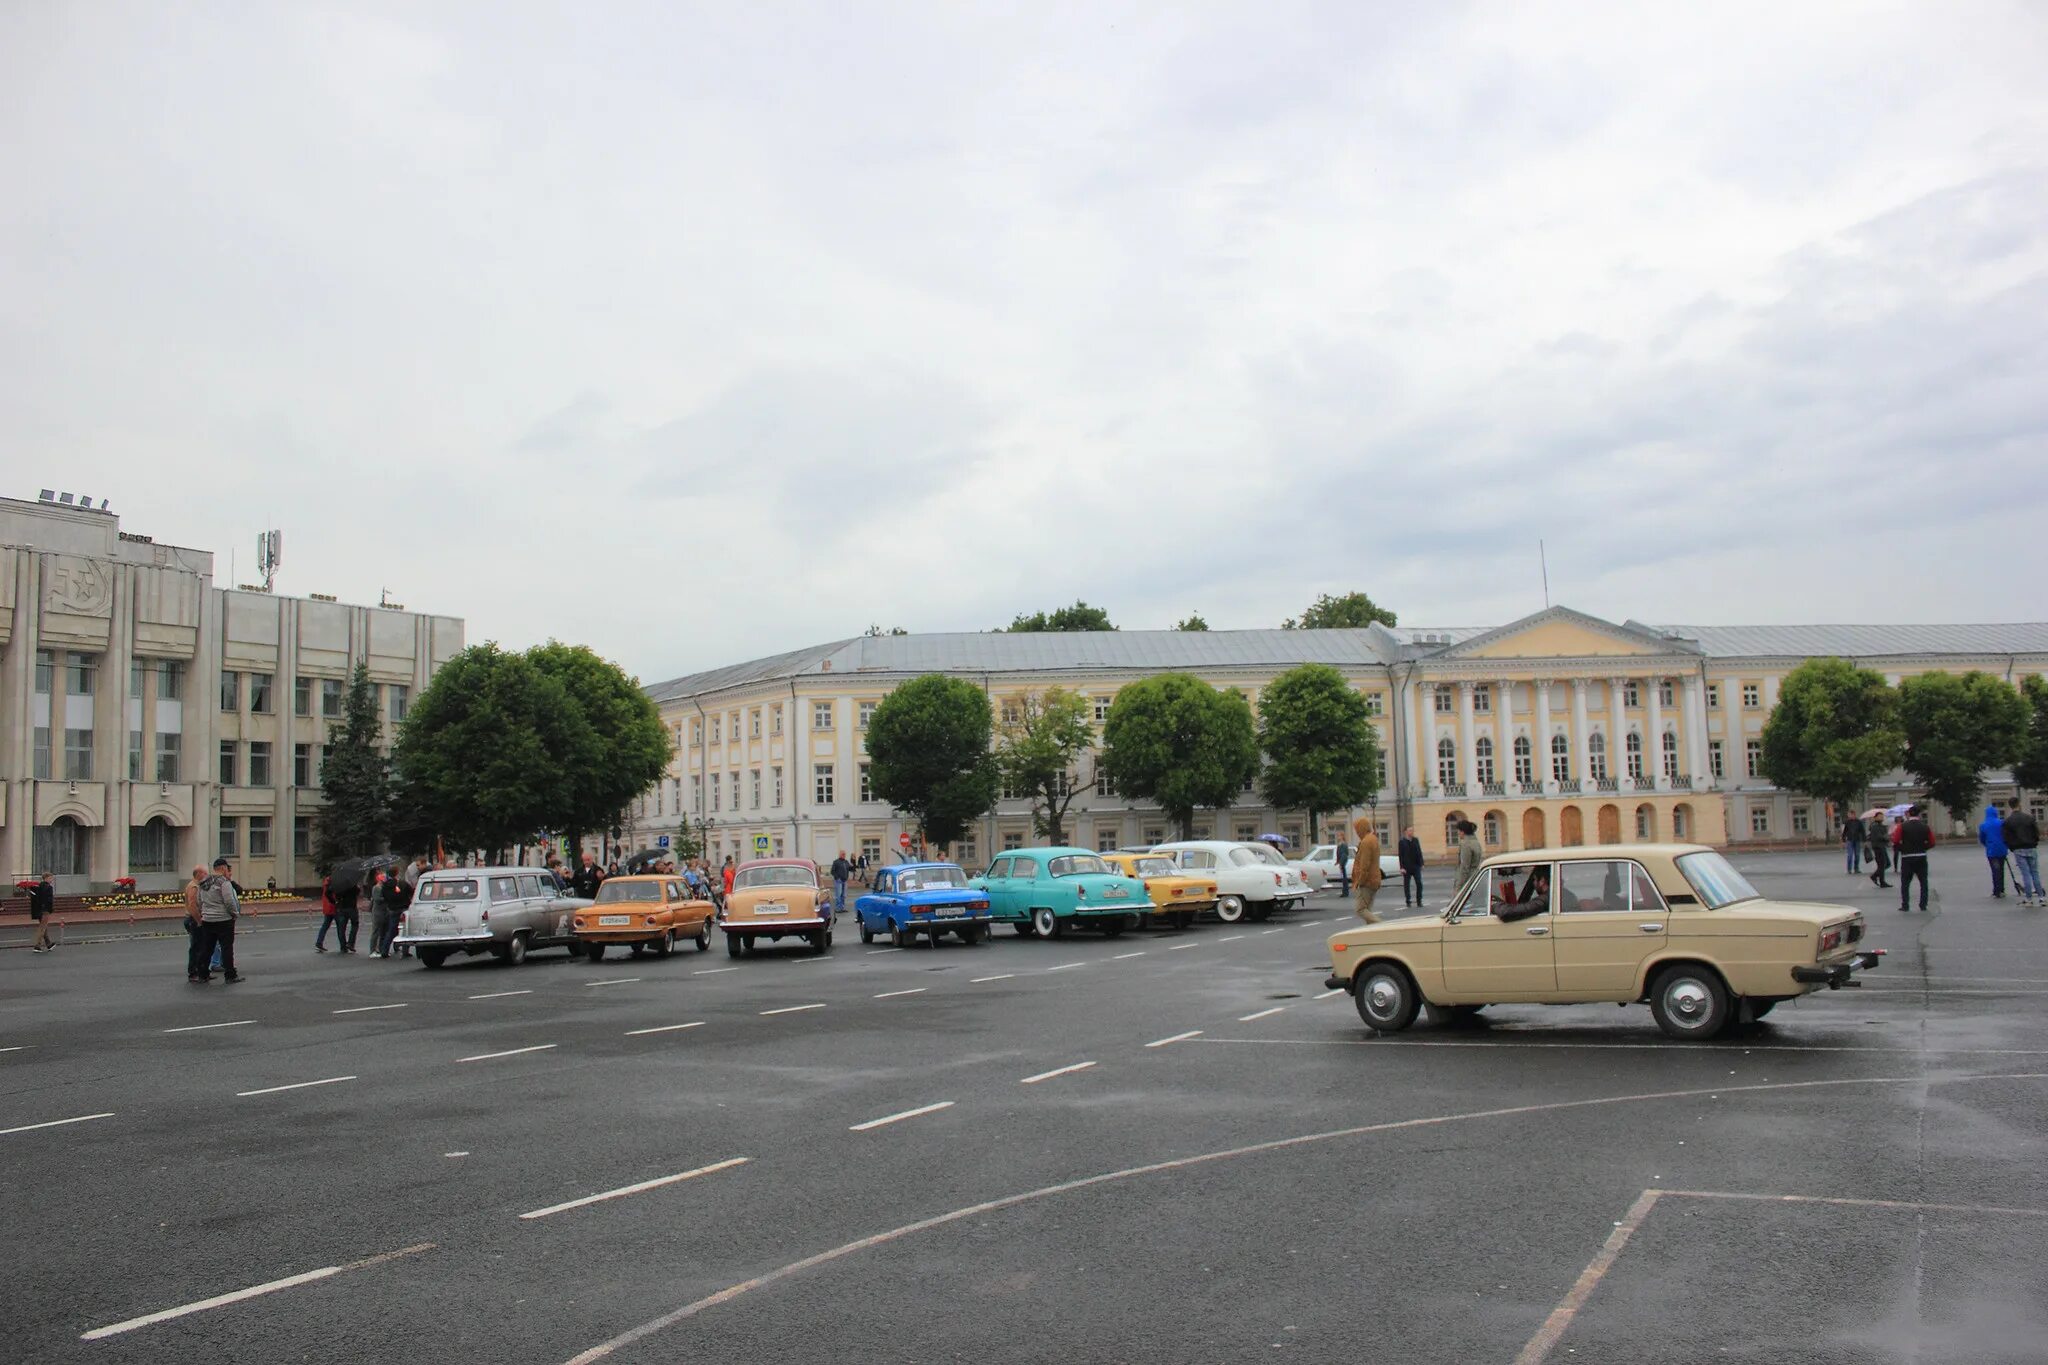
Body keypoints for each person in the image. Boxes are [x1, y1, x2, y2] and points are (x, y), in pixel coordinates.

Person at [195, 857, 244, 982]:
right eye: (227, 868)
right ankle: (230, 975)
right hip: (223, 919)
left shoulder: (203, 882)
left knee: (207, 947)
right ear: (223, 868)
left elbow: (199, 901)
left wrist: (204, 913)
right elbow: (229, 901)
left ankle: (202, 973)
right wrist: (234, 913)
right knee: (227, 947)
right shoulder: (224, 882)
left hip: (207, 919)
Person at [1897, 805, 1935, 912]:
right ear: (1919, 814)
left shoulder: (1902, 826)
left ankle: (1905, 905)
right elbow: (1932, 841)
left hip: (1907, 857)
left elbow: (1896, 840)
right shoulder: (1925, 827)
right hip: (1921, 856)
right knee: (1923, 881)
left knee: (1905, 882)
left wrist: (1902, 849)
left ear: (1909, 814)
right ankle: (1923, 904)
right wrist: (1924, 848)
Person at [2005, 802, 2043, 907]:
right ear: (2020, 805)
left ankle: (2029, 899)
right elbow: (2036, 832)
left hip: (2018, 849)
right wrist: (2035, 843)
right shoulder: (2029, 818)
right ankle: (2041, 898)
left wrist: (2012, 847)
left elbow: (2006, 837)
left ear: (2010, 806)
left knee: (2025, 874)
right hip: (2031, 847)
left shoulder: (2008, 821)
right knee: (2035, 873)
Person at [1351, 818, 1384, 925]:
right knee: (1367, 910)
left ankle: (1381, 925)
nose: (1356, 832)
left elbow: (1364, 865)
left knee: (1360, 909)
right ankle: (1372, 932)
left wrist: (1360, 881)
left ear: (1362, 828)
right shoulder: (1373, 839)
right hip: (1375, 879)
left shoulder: (1366, 842)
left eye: (1357, 829)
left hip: (1367, 881)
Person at [182, 865, 208, 980]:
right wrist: (199, 920)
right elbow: (192, 905)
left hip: (193, 918)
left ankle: (201, 970)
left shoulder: (195, 885)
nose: (206, 876)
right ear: (198, 874)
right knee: (197, 946)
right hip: (193, 919)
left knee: (200, 945)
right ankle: (194, 972)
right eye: (204, 873)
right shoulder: (193, 887)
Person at [1979, 805, 2009, 899]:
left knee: (1995, 870)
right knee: (2001, 869)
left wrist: (1987, 844)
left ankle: (1996, 890)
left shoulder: (1983, 825)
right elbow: (2006, 835)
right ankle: (2002, 889)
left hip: (1992, 851)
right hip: (2002, 849)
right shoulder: (2001, 823)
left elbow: (1982, 838)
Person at [27, 871, 56, 953]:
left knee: (44, 926)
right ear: (46, 878)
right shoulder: (49, 887)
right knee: (42, 927)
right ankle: (37, 945)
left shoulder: (39, 886)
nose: (52, 880)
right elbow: (49, 900)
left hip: (39, 909)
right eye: (51, 878)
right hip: (45, 910)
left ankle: (49, 943)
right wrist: (50, 909)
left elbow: (36, 897)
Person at [1453, 820, 1483, 898]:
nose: (1458, 833)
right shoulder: (1476, 842)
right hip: (1475, 875)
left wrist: (1459, 886)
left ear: (1463, 832)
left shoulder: (1465, 844)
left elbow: (1464, 866)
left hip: (1468, 878)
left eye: (1459, 831)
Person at [1398, 827, 1425, 907]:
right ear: (1406, 832)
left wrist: (1422, 863)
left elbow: (1419, 852)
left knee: (1419, 883)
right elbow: (1401, 855)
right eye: (1410, 830)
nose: (1411, 832)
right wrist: (1401, 867)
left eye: (1412, 830)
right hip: (1406, 866)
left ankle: (1419, 900)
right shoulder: (1402, 842)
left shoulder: (1415, 840)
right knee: (1407, 884)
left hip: (1416, 865)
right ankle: (1408, 900)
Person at [333, 876, 361, 954]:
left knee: (341, 928)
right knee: (355, 925)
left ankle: (343, 946)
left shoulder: (339, 886)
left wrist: (336, 901)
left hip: (342, 908)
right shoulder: (353, 885)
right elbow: (358, 892)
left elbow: (335, 895)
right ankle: (351, 943)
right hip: (352, 907)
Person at [315, 874, 339, 952]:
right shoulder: (333, 882)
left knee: (325, 926)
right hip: (333, 907)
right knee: (340, 926)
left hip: (327, 907)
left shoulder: (327, 881)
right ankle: (343, 945)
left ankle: (319, 943)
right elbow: (332, 895)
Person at [1866, 817, 1891, 890]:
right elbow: (1878, 837)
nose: (1882, 817)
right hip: (1878, 847)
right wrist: (1886, 838)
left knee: (1886, 864)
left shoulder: (1882, 826)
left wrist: (1887, 839)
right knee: (1882, 865)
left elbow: (1884, 835)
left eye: (1882, 815)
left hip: (1882, 846)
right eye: (1880, 815)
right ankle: (1881, 881)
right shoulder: (1874, 827)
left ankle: (1875, 876)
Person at [829, 850, 852, 916]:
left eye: (844, 854)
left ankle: (842, 907)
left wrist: (853, 866)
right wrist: (837, 877)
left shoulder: (846, 862)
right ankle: (837, 908)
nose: (843, 855)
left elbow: (849, 869)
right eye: (842, 854)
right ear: (839, 855)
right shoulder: (836, 862)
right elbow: (832, 871)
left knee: (843, 895)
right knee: (838, 895)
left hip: (845, 880)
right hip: (838, 881)